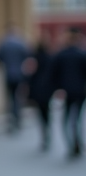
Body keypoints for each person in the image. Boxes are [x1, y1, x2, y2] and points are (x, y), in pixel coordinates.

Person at [52, 28, 86, 158]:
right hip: (80, 92)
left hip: (66, 92)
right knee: (77, 119)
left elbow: (54, 75)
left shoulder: (61, 55)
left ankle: (71, 143)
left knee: (66, 120)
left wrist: (57, 89)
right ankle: (77, 141)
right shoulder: (81, 54)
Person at [0, 23, 28, 134]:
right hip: (19, 74)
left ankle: (11, 120)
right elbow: (27, 57)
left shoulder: (3, 43)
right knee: (17, 98)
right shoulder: (21, 43)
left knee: (9, 98)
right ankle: (17, 119)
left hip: (8, 74)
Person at [25, 33, 55, 151]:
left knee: (41, 112)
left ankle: (44, 131)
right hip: (47, 88)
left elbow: (29, 73)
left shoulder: (34, 57)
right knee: (46, 110)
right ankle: (47, 129)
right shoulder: (50, 57)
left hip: (37, 88)